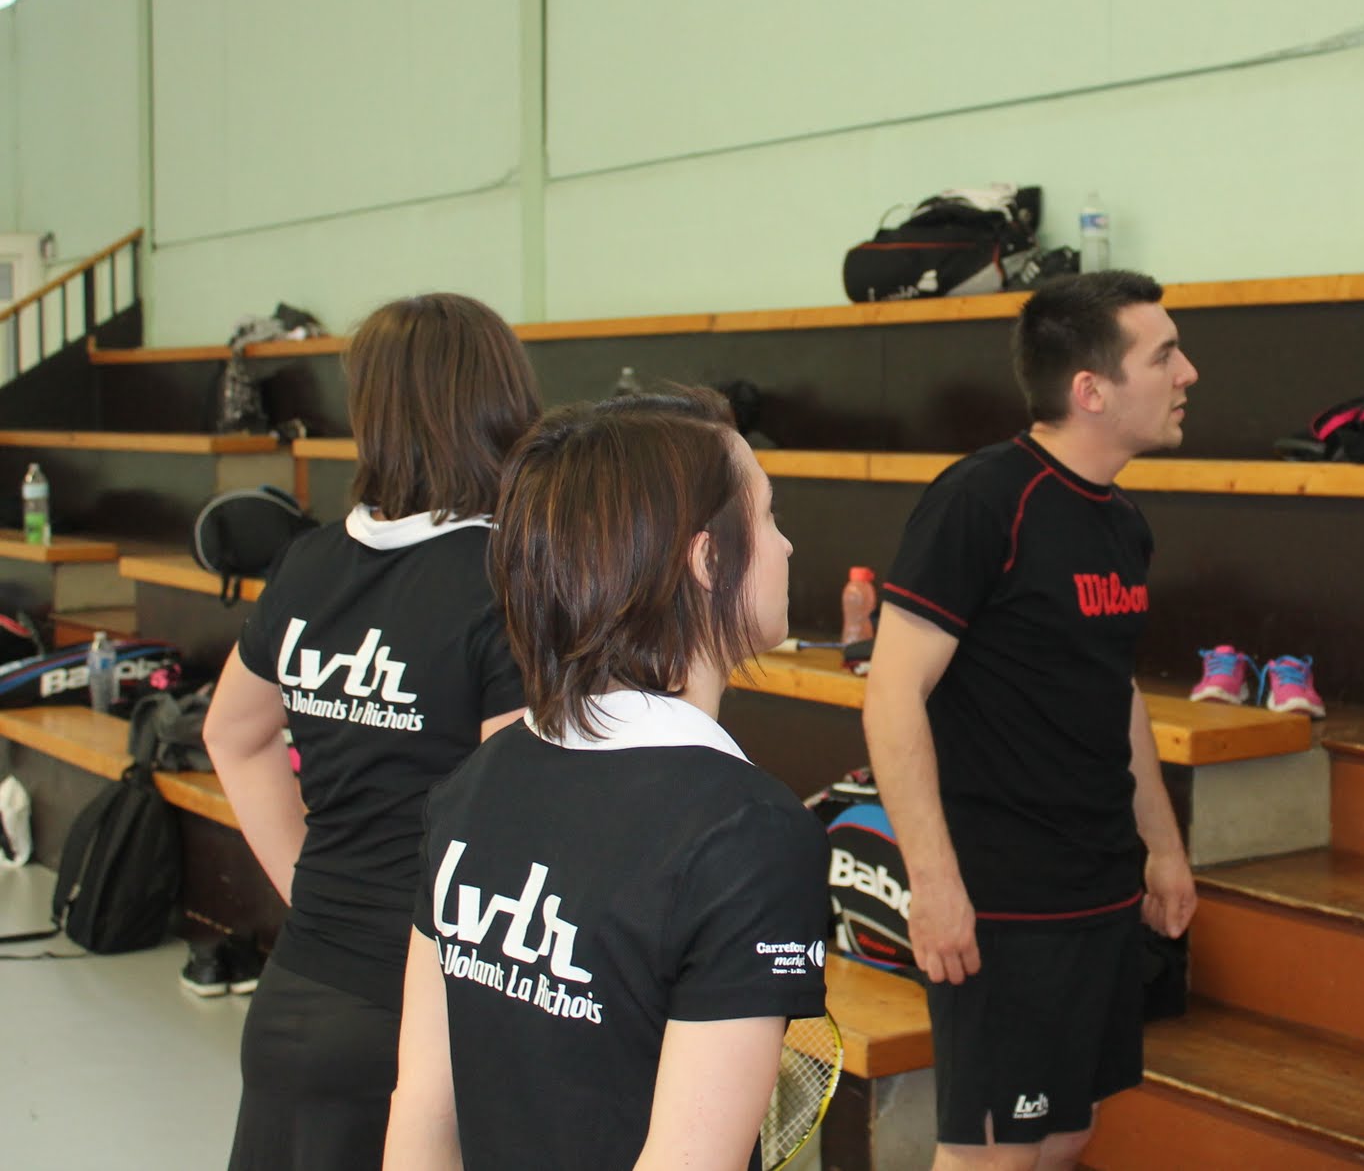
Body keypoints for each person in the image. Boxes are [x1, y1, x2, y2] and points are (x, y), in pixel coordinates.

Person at [382, 392, 830, 1171]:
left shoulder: (478, 780)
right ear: (707, 560)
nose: (787, 545)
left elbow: (422, 1115)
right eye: (767, 517)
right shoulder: (750, 833)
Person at [861, 270, 1200, 1170]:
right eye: (1164, 356)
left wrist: (1161, 846)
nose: (1188, 374)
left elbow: (1116, 690)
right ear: (1091, 390)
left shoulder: (1123, 522)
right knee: (993, 1153)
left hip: (1099, 886)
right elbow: (891, 694)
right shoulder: (982, 500)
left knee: (1066, 1134)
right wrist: (934, 885)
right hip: (1002, 903)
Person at [204, 293, 541, 1169]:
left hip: (299, 995)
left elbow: (232, 734)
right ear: (501, 400)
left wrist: (313, 887)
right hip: (430, 1015)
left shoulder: (309, 562)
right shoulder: (507, 578)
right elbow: (516, 822)